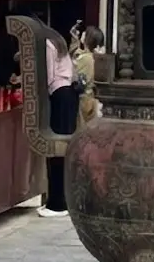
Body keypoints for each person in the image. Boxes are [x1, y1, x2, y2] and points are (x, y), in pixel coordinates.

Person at [38, 24, 79, 219]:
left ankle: (57, 203)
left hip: (59, 94)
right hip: (69, 94)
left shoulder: (47, 44)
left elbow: (48, 75)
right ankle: (62, 199)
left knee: (56, 148)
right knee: (63, 147)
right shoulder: (59, 43)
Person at [72, 25, 105, 125]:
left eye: (85, 33)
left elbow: (78, 78)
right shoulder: (87, 56)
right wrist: (75, 39)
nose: (83, 33)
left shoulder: (86, 58)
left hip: (83, 100)